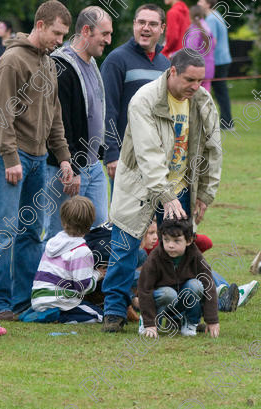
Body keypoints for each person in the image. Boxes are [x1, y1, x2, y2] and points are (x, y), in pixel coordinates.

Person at [101, 48, 223, 333]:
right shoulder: (144, 99)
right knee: (125, 247)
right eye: (190, 80)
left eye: (200, 80)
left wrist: (205, 192)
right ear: (172, 72)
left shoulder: (202, 101)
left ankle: (180, 314)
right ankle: (114, 312)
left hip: (180, 186)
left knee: (179, 251)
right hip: (141, 185)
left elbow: (212, 149)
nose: (195, 86)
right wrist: (165, 195)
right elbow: (148, 153)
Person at [0, 0, 73, 320]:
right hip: (13, 157)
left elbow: (55, 114)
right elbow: (1, 114)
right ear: (40, 25)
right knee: (4, 230)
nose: (60, 41)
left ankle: (23, 300)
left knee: (32, 232)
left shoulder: (48, 62)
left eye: (64, 35)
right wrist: (9, 157)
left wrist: (62, 156)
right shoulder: (12, 60)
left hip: (39, 159)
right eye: (57, 33)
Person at [45, 6, 113, 241]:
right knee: (60, 234)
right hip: (65, 169)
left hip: (93, 166)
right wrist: (71, 166)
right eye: (104, 33)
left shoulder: (92, 63)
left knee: (100, 232)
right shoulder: (60, 66)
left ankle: (89, 278)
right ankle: (48, 278)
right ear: (86, 30)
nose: (109, 40)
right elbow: (59, 123)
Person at [101, 4, 170, 191]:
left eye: (153, 24)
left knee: (156, 217)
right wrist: (112, 154)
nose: (146, 28)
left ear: (162, 28)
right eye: (141, 22)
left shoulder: (166, 64)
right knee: (125, 218)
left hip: (157, 158)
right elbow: (108, 109)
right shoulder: (116, 60)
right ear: (134, 25)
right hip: (126, 158)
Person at [20, 196, 104, 324]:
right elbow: (82, 286)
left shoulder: (54, 243)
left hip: (39, 299)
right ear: (91, 223)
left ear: (63, 220)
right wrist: (98, 274)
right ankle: (58, 317)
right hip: (59, 302)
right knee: (98, 314)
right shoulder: (82, 251)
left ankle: (40, 313)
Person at [138, 218, 219, 338]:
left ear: (189, 240)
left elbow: (209, 284)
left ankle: (190, 322)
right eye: (166, 240)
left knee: (196, 285)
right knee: (168, 293)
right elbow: (144, 290)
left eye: (177, 241)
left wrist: (212, 320)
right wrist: (149, 323)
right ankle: (150, 323)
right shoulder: (154, 258)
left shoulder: (195, 255)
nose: (170, 245)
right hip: (163, 299)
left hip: (182, 300)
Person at [198, 0, 234, 130]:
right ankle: (226, 122)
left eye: (201, 1)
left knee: (218, 92)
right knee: (220, 92)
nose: (198, 3)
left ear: (208, 4)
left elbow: (211, 40)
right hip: (223, 59)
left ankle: (227, 123)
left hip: (217, 61)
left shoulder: (211, 19)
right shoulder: (217, 15)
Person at [185, 5, 215, 91]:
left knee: (194, 97)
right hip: (209, 67)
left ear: (190, 15)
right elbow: (213, 45)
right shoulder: (207, 27)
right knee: (205, 95)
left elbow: (190, 50)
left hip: (196, 69)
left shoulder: (194, 29)